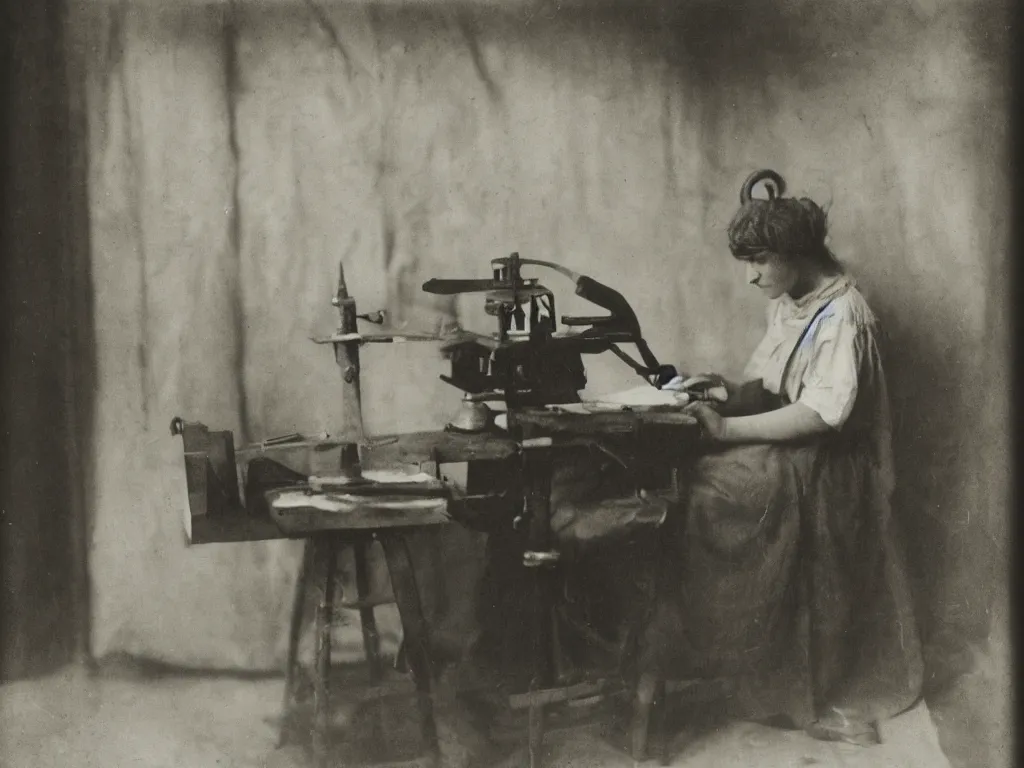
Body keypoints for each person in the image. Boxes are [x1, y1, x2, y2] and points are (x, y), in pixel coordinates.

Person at [634, 169, 923, 745]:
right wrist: (720, 391)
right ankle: (734, 657)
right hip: (794, 451)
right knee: (688, 480)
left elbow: (820, 414)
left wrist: (725, 430)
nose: (751, 276)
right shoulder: (791, 300)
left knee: (716, 492)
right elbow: (772, 383)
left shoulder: (844, 314)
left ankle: (768, 674)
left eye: (760, 260)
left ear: (796, 252)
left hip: (833, 467)